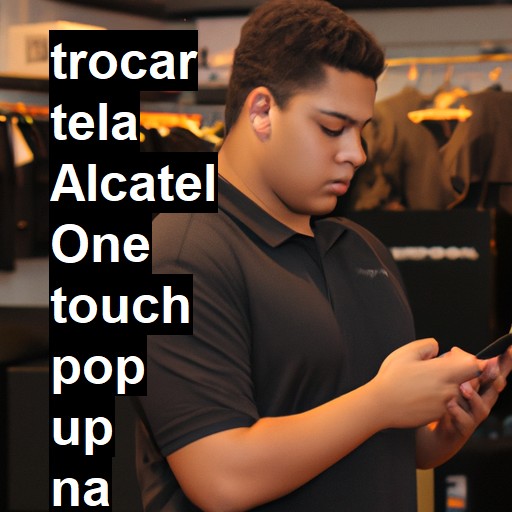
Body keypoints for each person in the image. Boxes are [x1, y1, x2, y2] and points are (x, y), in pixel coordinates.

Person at [136, 1, 512, 510]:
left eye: (361, 130)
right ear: (262, 111)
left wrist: (445, 428)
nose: (357, 153)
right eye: (333, 128)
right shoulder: (178, 255)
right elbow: (221, 478)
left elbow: (390, 447)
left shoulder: (360, 248)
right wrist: (380, 403)